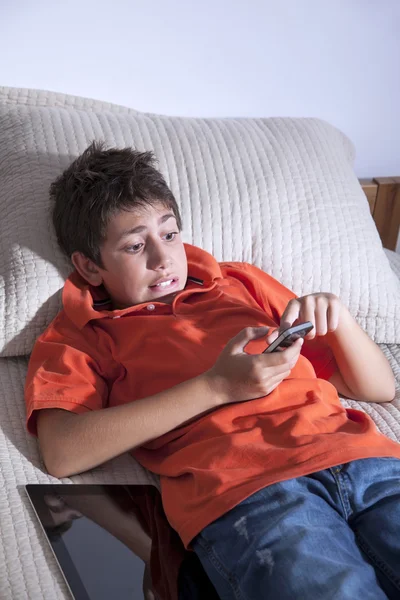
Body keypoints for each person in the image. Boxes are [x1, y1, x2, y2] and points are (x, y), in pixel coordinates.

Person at [25, 142, 400, 600]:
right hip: (247, 491)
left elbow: (379, 388)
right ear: (89, 265)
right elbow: (62, 452)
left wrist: (339, 318)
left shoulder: (239, 281)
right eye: (135, 245)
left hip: (366, 462)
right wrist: (215, 387)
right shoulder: (78, 334)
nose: (163, 260)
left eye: (169, 234)